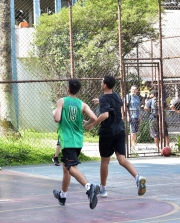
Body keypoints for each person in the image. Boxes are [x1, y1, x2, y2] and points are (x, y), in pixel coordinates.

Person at [85, 76, 146, 198]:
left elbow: (106, 115)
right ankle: (137, 177)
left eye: (102, 82)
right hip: (120, 130)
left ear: (105, 85)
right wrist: (100, 101)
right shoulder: (117, 96)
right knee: (122, 160)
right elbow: (114, 105)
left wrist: (92, 123)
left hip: (107, 132)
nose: (101, 83)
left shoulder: (104, 98)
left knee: (105, 161)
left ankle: (103, 188)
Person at [52, 78, 100, 209]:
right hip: (78, 140)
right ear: (78, 91)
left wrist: (54, 112)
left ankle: (89, 187)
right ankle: (62, 195)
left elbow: (57, 119)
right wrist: (87, 124)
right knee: (66, 168)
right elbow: (95, 118)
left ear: (68, 89)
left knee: (71, 168)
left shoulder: (62, 101)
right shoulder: (82, 104)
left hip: (67, 140)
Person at [126, 86, 142, 151]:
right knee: (132, 131)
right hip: (132, 116)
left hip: (137, 116)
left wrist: (140, 116)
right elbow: (126, 106)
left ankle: (133, 144)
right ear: (130, 90)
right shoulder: (128, 96)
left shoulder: (137, 97)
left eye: (135, 89)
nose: (133, 90)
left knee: (135, 131)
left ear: (137, 90)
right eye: (132, 89)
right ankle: (133, 145)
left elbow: (139, 107)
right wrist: (127, 115)